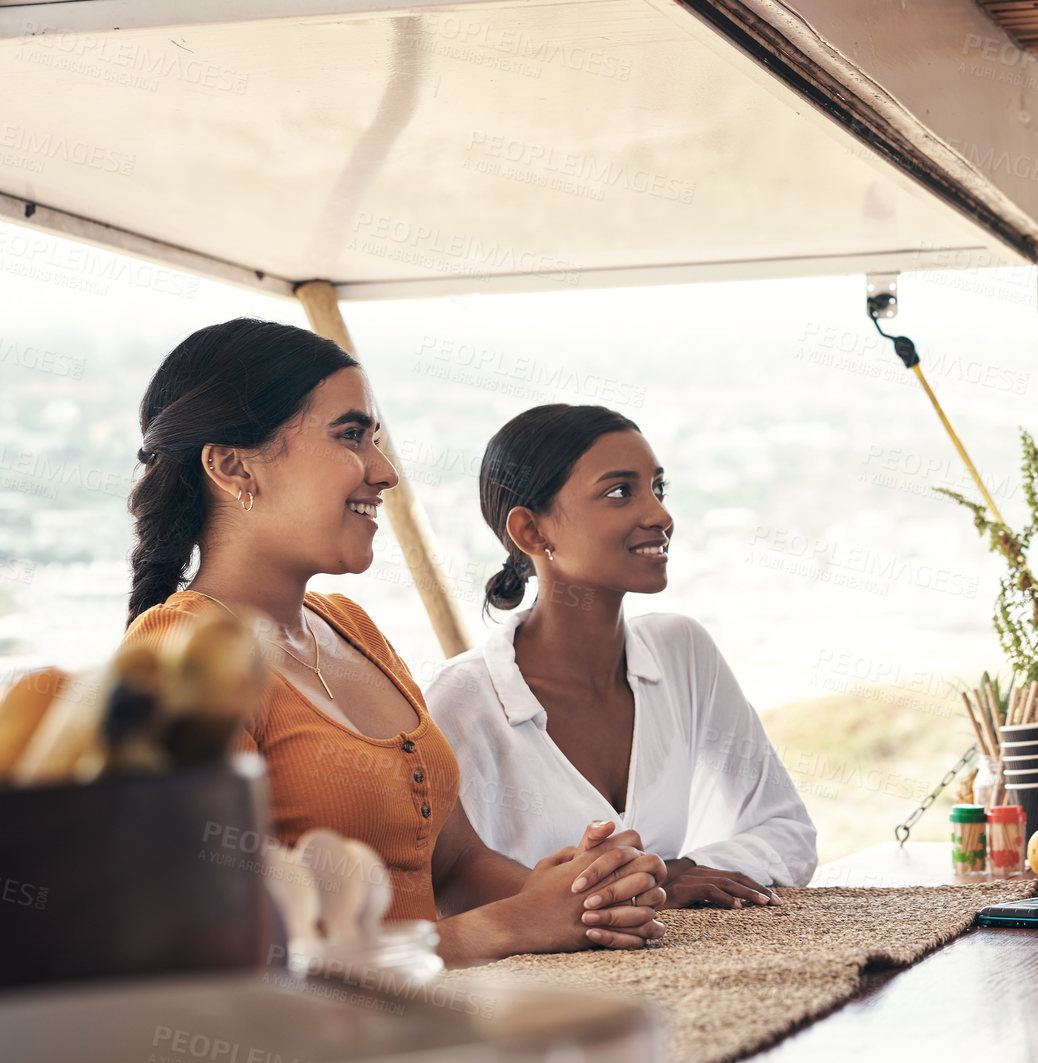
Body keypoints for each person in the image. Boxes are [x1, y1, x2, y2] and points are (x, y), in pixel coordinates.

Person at [123, 318, 668, 961]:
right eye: (352, 435)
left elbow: (457, 864)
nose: (385, 472)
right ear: (233, 466)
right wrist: (510, 926)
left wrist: (585, 898)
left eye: (376, 439)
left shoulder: (349, 628)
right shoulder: (175, 657)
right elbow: (227, 952)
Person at [423, 404, 818, 909]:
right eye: (619, 492)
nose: (660, 515)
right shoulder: (457, 702)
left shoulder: (683, 653)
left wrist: (678, 873)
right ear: (532, 532)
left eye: (658, 488)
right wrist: (642, 888)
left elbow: (787, 831)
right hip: (530, 986)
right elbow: (449, 886)